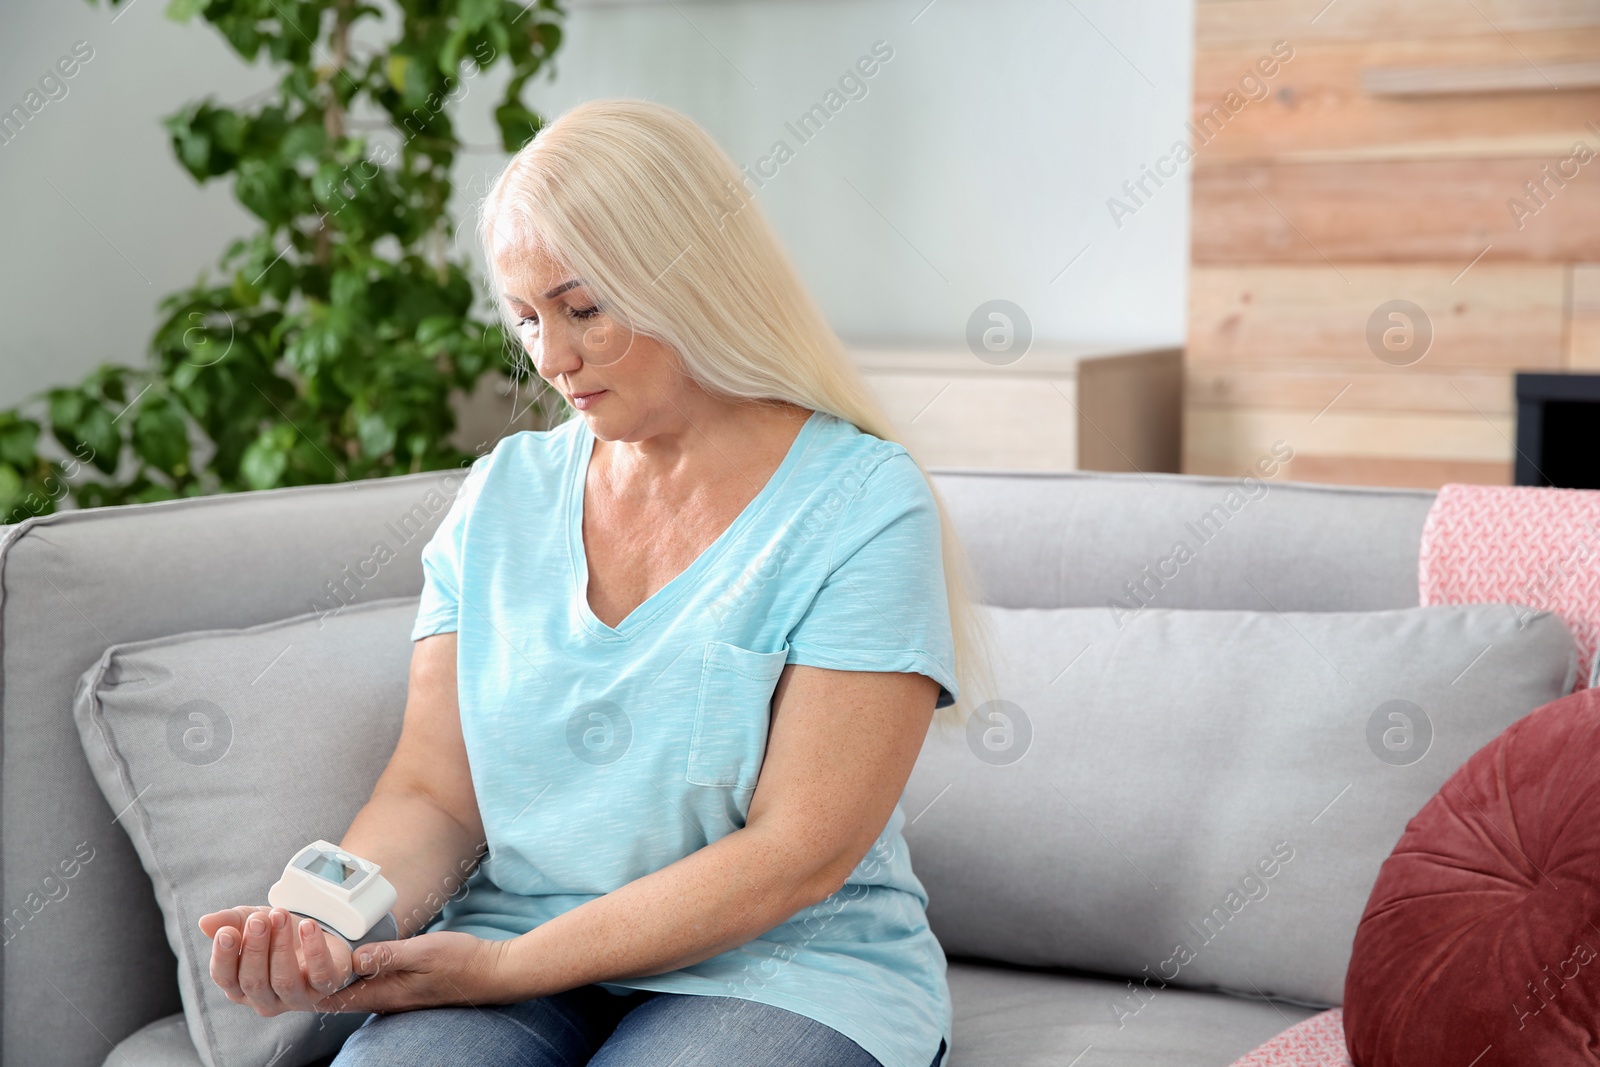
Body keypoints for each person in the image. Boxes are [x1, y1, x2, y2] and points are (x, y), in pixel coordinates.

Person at [197, 97, 996, 1067]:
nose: (551, 357)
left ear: (694, 278)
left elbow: (797, 853)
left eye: (584, 309)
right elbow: (435, 796)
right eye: (525, 316)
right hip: (513, 950)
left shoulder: (862, 503)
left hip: (787, 966)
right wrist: (329, 917)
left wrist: (508, 967)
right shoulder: (501, 496)